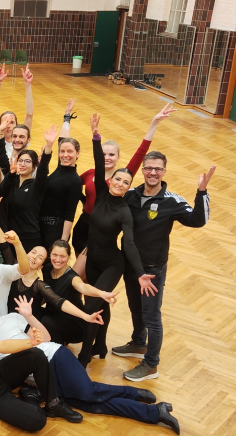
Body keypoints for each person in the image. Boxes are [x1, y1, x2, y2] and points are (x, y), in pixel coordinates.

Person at [0, 297, 180, 434]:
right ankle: (154, 412)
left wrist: (29, 315)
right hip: (44, 384)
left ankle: (137, 396)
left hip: (55, 357)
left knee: (88, 392)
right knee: (92, 404)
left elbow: (48, 337)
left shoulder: (13, 319)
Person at [114, 152, 214, 382]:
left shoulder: (172, 201)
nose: (152, 173)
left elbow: (198, 220)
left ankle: (151, 364)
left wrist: (202, 192)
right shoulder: (130, 195)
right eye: (149, 168)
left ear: (164, 171)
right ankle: (138, 343)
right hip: (131, 266)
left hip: (152, 269)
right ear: (143, 170)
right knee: (135, 308)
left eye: (158, 169)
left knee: (151, 316)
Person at [77, 113, 156, 367]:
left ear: (129, 186)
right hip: (93, 259)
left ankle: (85, 354)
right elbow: (100, 165)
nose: (120, 183)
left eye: (126, 182)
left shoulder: (124, 212)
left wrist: (141, 272)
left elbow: (129, 244)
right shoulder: (100, 191)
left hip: (112, 264)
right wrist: (95, 136)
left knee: (91, 306)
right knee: (101, 303)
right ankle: (100, 344)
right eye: (118, 179)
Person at [67, 103, 173, 277]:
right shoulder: (89, 174)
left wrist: (154, 123)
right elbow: (72, 186)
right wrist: (83, 201)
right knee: (84, 279)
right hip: (83, 227)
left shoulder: (122, 177)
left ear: (118, 157)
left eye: (111, 154)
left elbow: (141, 152)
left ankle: (92, 302)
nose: (107, 158)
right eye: (104, 154)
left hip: (101, 231)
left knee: (79, 276)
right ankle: (84, 303)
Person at [0, 125, 59, 250]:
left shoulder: (37, 185)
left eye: (28, 161)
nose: (23, 164)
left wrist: (49, 145)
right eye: (20, 161)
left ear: (34, 166)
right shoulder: (11, 182)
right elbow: (3, 159)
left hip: (29, 238)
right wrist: (0, 134)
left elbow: (42, 171)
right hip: (9, 237)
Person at [39, 99, 84, 246]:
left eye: (70, 151)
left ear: (77, 154)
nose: (65, 155)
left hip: (56, 230)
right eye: (62, 151)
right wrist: (66, 116)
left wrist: (63, 241)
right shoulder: (60, 168)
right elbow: (63, 139)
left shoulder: (75, 181)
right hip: (42, 224)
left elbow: (70, 214)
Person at [0, 64, 34, 164]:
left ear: (17, 126)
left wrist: (28, 85)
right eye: (5, 122)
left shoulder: (21, 141)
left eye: (11, 122)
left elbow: (29, 114)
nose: (8, 125)